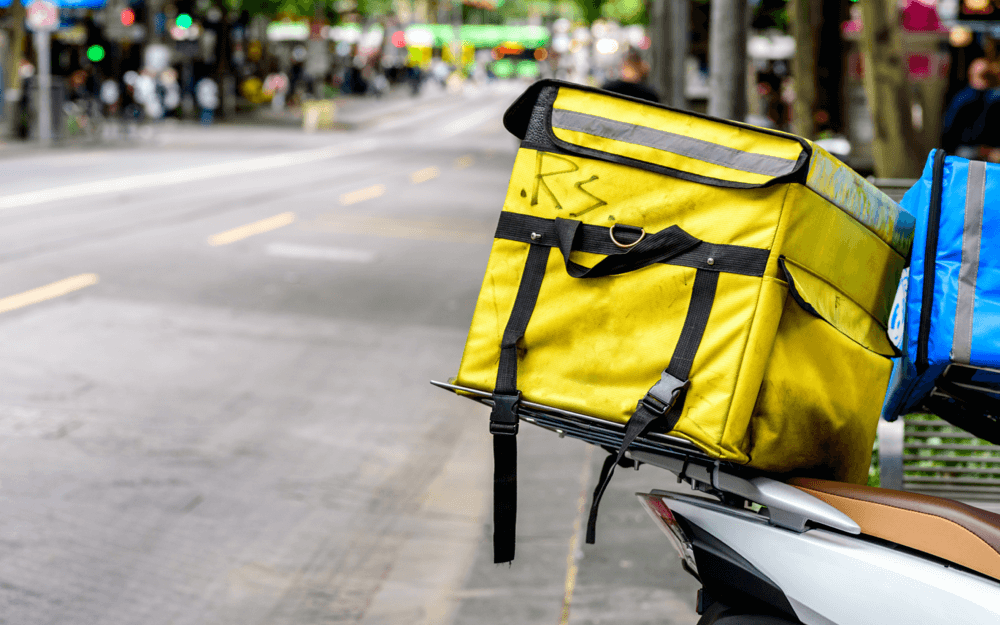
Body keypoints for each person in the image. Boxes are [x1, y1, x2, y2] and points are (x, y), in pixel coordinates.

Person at [941, 58, 1000, 158]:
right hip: (988, 152)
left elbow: (948, 128)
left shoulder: (961, 98)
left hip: (966, 151)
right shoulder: (994, 98)